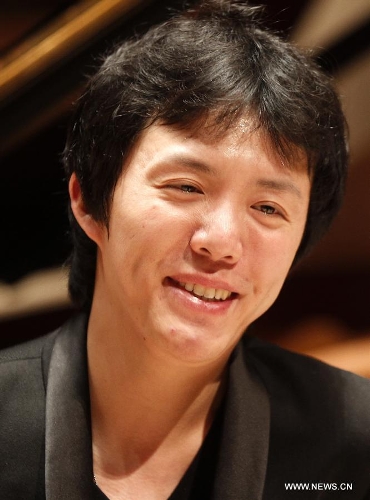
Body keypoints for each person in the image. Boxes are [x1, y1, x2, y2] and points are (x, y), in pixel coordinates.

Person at [1, 1, 369, 499]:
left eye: (267, 208)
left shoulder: (351, 439)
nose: (221, 244)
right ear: (88, 199)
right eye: (186, 186)